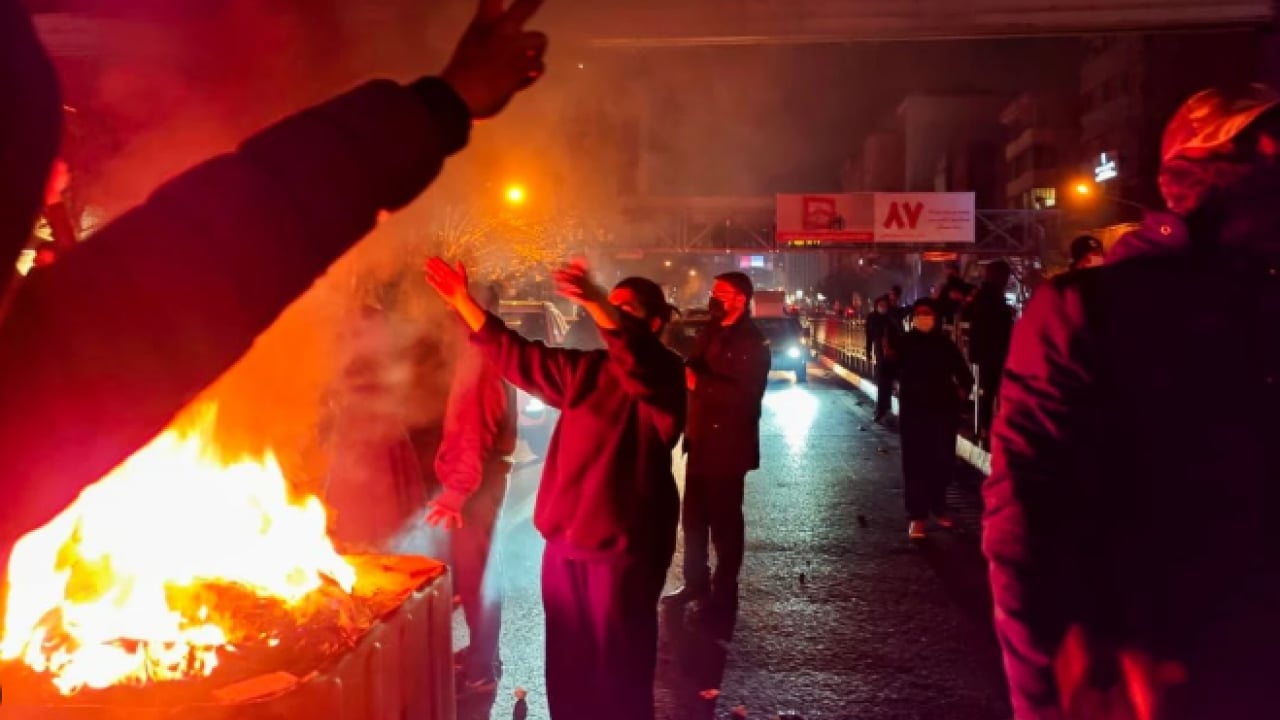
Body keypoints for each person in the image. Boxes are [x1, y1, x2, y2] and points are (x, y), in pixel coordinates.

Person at [0, 0, 547, 560]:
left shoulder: (26, 395)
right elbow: (235, 239)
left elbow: (226, 245)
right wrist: (440, 105)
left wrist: (438, 107)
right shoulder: (30, 396)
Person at [984, 84, 1280, 719]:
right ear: (1205, 165)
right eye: (1259, 143)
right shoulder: (1091, 310)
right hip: (1167, 677)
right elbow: (1024, 530)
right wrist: (1046, 699)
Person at [422, 258, 685, 720]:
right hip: (565, 547)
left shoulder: (663, 374)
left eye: (624, 312)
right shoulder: (587, 371)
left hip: (623, 552)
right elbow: (519, 356)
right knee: (567, 671)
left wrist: (598, 301)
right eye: (609, 309)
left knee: (619, 671)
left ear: (655, 323)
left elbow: (637, 361)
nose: (610, 320)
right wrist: (464, 302)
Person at [664, 271, 770, 623]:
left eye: (721, 292)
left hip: (729, 444)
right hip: (700, 440)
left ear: (741, 299)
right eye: (714, 290)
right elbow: (692, 365)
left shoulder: (752, 342)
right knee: (692, 520)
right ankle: (695, 583)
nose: (714, 297)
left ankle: (724, 588)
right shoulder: (711, 330)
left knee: (724, 523)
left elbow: (747, 397)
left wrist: (699, 382)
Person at [430, 282, 517, 695]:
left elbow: (471, 429)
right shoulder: (489, 347)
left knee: (476, 576)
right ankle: (485, 656)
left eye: (450, 307)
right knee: (477, 574)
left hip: (476, 484)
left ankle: (482, 669)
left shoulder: (478, 355)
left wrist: (456, 492)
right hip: (484, 479)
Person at [889, 299, 972, 540]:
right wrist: (890, 360)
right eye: (919, 313)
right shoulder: (904, 343)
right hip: (914, 411)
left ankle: (939, 506)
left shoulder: (944, 344)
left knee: (942, 461)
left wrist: (961, 392)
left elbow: (963, 374)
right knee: (915, 463)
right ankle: (917, 517)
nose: (923, 317)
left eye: (927, 313)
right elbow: (889, 371)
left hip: (943, 410)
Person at [963, 261, 1014, 441]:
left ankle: (987, 426)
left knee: (990, 390)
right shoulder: (988, 295)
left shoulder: (988, 294)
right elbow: (987, 324)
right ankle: (986, 427)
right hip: (992, 351)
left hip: (991, 350)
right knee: (989, 390)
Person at [865, 294, 903, 422]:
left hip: (896, 354)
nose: (883, 308)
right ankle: (881, 411)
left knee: (900, 383)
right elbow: (869, 337)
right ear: (876, 306)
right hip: (881, 355)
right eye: (880, 305)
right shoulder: (872, 318)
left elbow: (900, 332)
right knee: (883, 384)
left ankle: (901, 413)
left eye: (885, 305)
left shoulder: (892, 318)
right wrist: (868, 352)